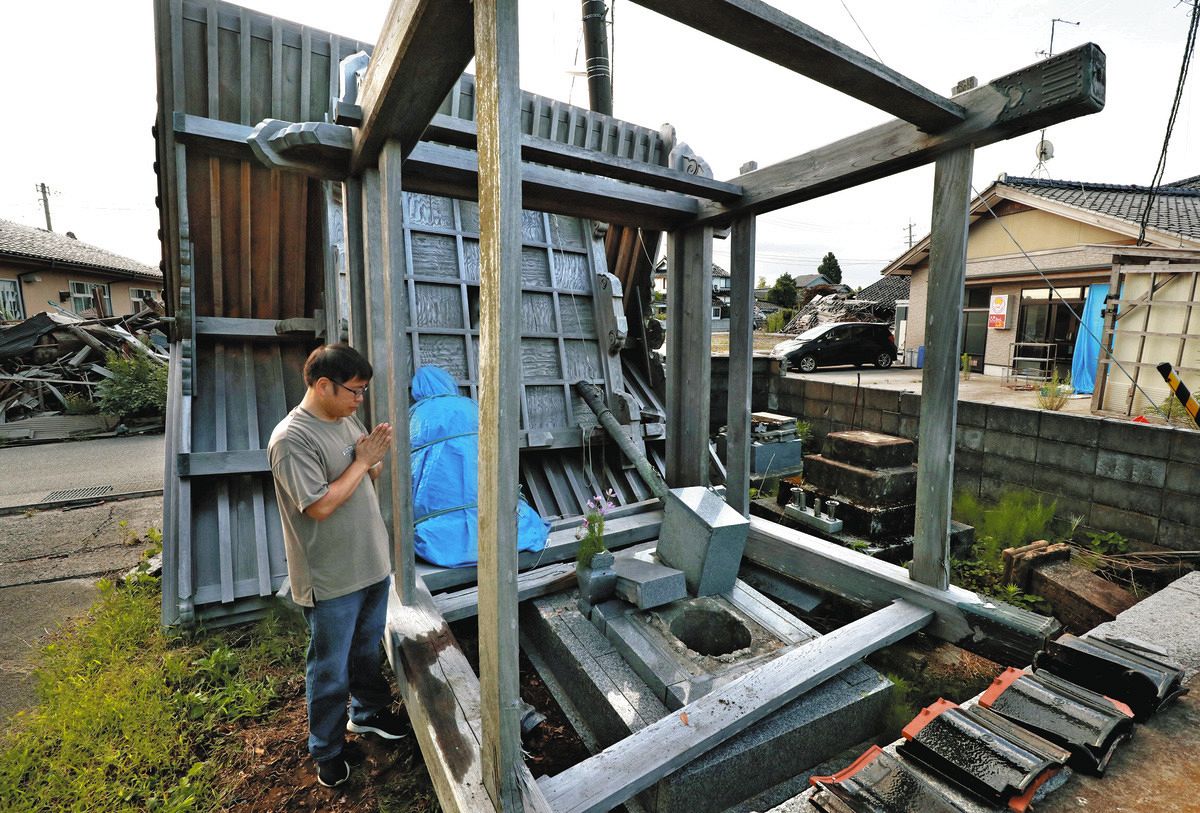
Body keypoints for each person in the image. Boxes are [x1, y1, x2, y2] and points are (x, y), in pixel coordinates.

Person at [268, 343, 407, 788]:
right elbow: (320, 507)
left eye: (363, 391)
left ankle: (366, 715)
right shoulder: (291, 439)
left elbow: (362, 475)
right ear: (323, 385)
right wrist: (363, 462)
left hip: (370, 564)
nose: (360, 400)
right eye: (355, 390)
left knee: (365, 652)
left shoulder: (344, 418)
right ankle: (326, 751)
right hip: (330, 578)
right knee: (329, 668)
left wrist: (372, 464)